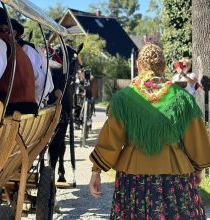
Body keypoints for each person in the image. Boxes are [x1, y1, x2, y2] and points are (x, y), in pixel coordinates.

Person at [89, 43, 210, 219]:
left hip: (133, 180)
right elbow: (196, 140)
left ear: (139, 66)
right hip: (174, 178)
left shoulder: (123, 99)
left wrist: (96, 171)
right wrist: (198, 171)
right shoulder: (183, 98)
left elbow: (111, 142)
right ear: (163, 66)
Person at [9, 19, 53, 107]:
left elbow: (34, 79)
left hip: (32, 101)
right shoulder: (12, 49)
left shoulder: (25, 49)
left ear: (13, 33)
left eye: (4, 31)